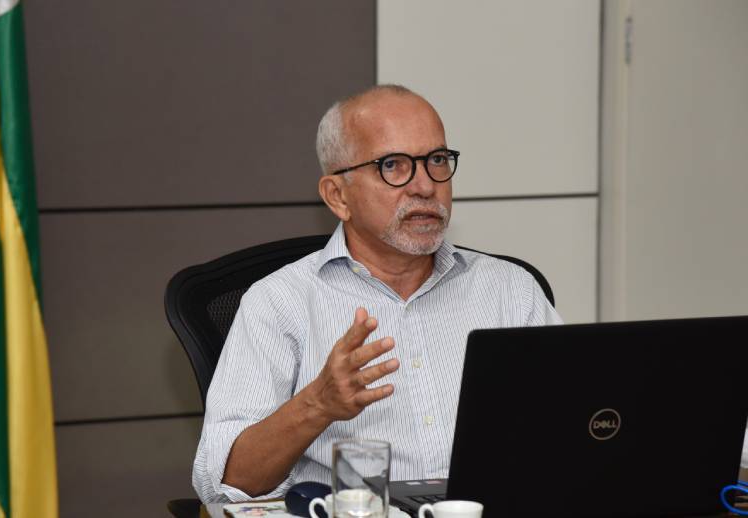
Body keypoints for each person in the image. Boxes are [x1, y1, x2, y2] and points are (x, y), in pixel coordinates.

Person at [193, 84, 562, 503]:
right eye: (393, 165)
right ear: (338, 196)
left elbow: (577, 428)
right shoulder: (279, 303)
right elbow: (224, 485)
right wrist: (317, 404)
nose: (425, 186)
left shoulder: (510, 290)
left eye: (437, 160)